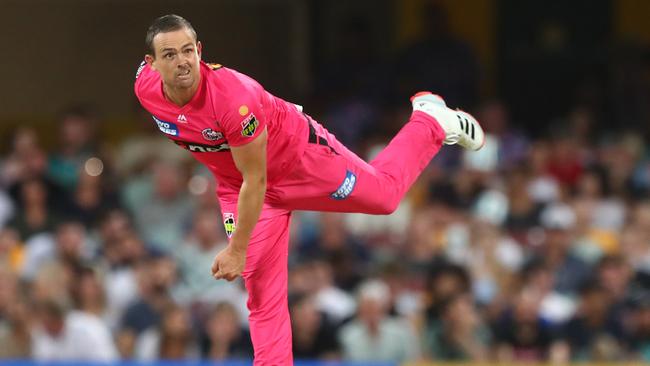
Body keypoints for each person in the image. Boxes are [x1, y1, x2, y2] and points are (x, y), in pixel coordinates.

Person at [134, 14, 484, 365]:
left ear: (199, 51)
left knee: (386, 197)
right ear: (151, 64)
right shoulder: (145, 88)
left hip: (301, 162)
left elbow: (258, 178)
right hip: (240, 187)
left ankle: (430, 121)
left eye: (187, 51)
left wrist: (237, 249)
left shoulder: (233, 99)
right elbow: (247, 181)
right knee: (261, 294)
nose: (181, 62)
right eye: (169, 55)